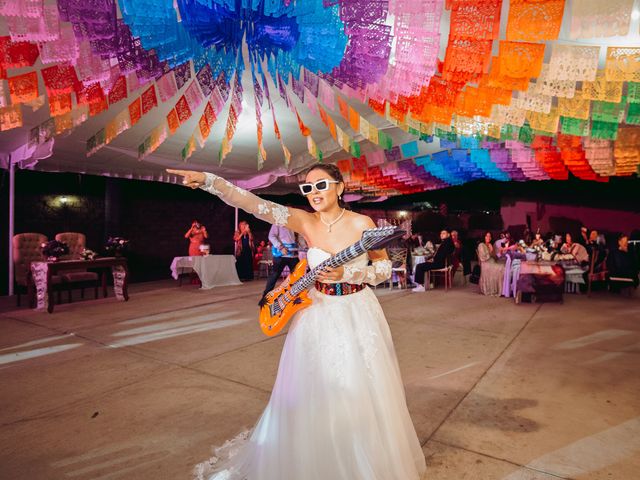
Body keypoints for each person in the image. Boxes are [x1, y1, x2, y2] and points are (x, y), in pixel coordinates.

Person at [167, 165, 426, 480]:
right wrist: (211, 181)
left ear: (340, 188)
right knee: (312, 390)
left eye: (321, 185)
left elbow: (384, 268)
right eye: (308, 188)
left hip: (358, 311)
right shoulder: (304, 221)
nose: (314, 193)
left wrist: (352, 273)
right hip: (315, 314)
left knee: (361, 388)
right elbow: (250, 203)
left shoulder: (363, 224)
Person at [262, 223, 299, 300]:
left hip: (293, 254)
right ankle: (265, 298)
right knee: (274, 276)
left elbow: (297, 238)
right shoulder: (278, 222)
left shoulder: (294, 222)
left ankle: (297, 296)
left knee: (298, 275)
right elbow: (271, 235)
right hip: (280, 254)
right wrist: (281, 247)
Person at [477, 231, 505, 296]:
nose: (488, 238)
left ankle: (504, 289)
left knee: (504, 264)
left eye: (490, 236)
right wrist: (491, 251)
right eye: (487, 236)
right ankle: (498, 290)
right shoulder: (481, 245)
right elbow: (484, 257)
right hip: (486, 265)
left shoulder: (490, 245)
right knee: (501, 268)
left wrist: (500, 252)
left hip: (492, 262)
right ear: (484, 237)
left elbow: (494, 257)